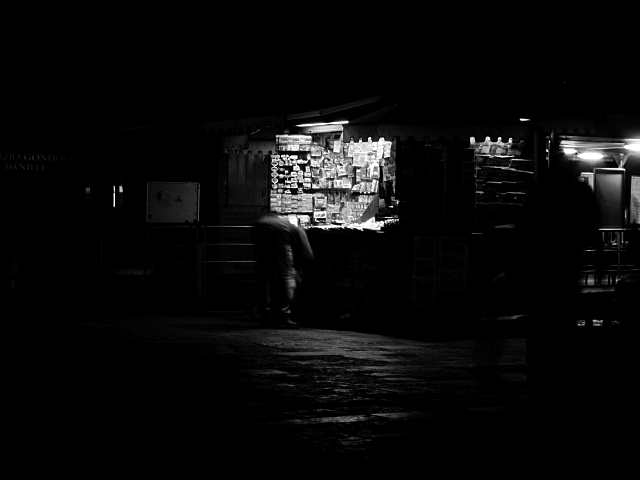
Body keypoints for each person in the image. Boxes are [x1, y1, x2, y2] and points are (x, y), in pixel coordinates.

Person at [252, 213, 314, 328]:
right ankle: (283, 316)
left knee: (263, 277)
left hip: (260, 234)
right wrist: (296, 270)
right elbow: (308, 254)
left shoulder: (267, 221)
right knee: (286, 278)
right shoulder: (298, 230)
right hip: (280, 241)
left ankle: (265, 315)